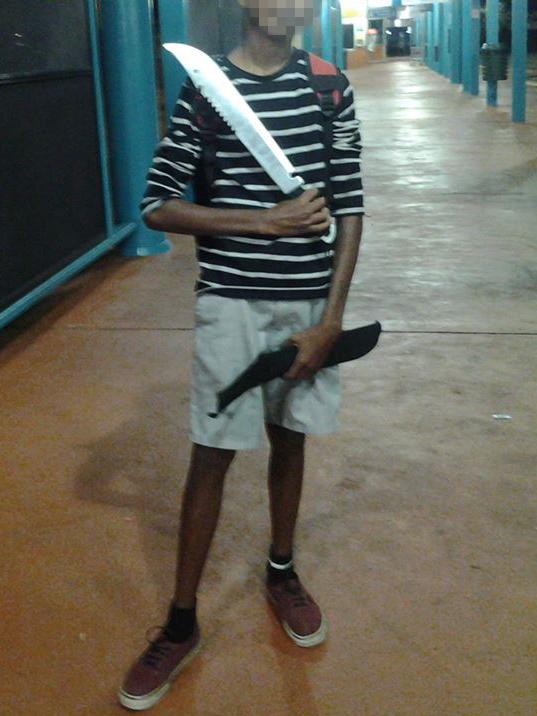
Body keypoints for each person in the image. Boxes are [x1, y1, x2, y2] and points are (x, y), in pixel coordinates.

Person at [119, 0, 364, 710]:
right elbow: (158, 205)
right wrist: (266, 221)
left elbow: (349, 204)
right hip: (230, 303)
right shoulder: (205, 90)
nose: (293, 5)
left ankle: (280, 570)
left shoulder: (328, 86)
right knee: (212, 453)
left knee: (290, 439)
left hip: (308, 306)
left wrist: (332, 319)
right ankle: (182, 620)